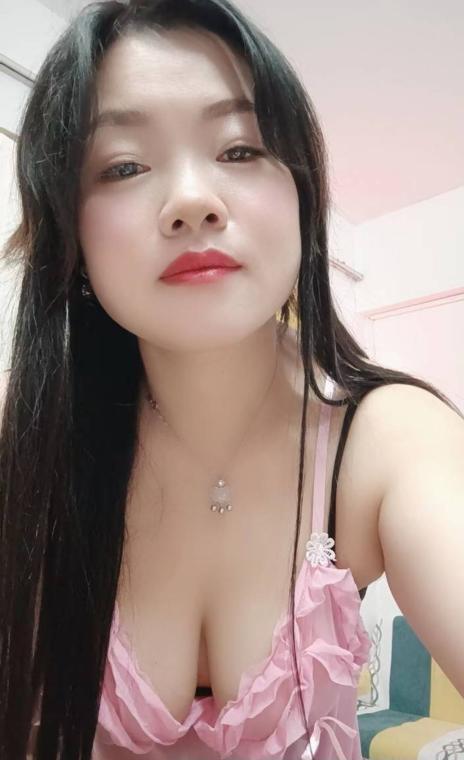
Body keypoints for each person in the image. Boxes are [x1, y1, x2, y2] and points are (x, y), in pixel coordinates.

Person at [1, 1, 463, 759]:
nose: (191, 200)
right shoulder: (28, 437)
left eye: (241, 149)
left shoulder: (389, 439)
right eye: (124, 166)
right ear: (69, 236)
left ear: (302, 194)